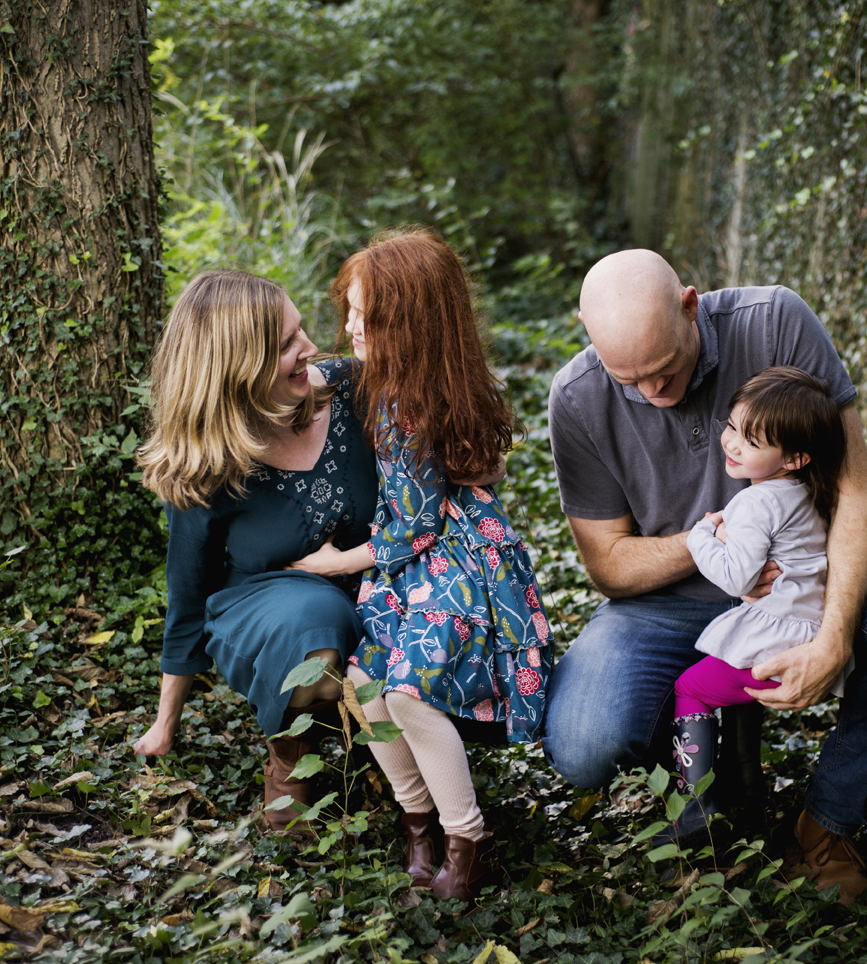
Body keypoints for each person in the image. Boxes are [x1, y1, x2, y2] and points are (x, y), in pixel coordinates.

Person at [543, 249, 867, 905]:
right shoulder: (576, 396)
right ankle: (704, 794)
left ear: (690, 305)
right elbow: (609, 563)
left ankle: (826, 822)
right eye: (631, 380)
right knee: (582, 743)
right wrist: (718, 543)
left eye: (665, 370)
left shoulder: (775, 324)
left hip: (798, 590)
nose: (654, 392)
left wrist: (833, 638)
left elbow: (853, 488)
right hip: (665, 605)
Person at [288, 229, 554, 900]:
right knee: (363, 682)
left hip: (454, 566)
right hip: (419, 567)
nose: (351, 327)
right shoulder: (406, 378)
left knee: (407, 694)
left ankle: (468, 839)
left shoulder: (411, 407)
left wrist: (333, 563)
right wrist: (310, 376)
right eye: (350, 310)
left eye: (367, 317)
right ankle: (418, 824)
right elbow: (350, 374)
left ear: (412, 326)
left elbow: (413, 528)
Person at [131, 269, 376, 833]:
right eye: (287, 343)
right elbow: (188, 592)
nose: (310, 348)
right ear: (238, 365)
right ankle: (291, 760)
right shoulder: (205, 463)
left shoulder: (354, 391)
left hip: (377, 579)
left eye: (301, 330)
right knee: (314, 623)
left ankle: (393, 744)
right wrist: (166, 722)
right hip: (270, 611)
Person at [662, 366, 845, 843]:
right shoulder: (809, 493)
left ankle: (694, 811)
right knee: (728, 672)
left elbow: (736, 577)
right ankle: (745, 784)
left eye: (752, 440)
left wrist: (702, 535)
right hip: (810, 636)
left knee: (691, 688)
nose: (733, 444)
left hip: (776, 641)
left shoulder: (754, 503)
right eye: (732, 427)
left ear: (795, 457)